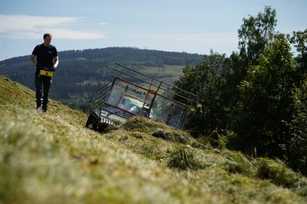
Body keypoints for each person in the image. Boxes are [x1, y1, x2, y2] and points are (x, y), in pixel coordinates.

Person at [31, 33, 59, 112]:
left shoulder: (53, 48)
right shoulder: (38, 47)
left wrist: (54, 66)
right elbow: (32, 57)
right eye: (48, 39)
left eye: (50, 39)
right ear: (44, 39)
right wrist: (36, 64)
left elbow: (56, 59)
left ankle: (44, 109)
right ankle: (38, 107)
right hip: (39, 72)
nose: (49, 41)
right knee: (38, 90)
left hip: (49, 72)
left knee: (46, 92)